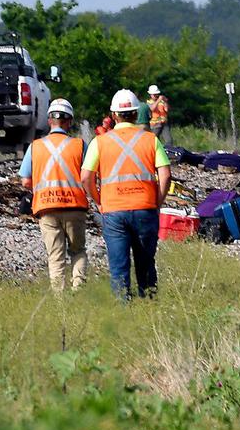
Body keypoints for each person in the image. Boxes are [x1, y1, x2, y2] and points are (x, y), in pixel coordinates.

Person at [80, 89, 171, 299]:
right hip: (145, 209)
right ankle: (149, 308)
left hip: (113, 211)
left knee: (119, 267)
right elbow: (165, 176)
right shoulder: (150, 140)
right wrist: (157, 202)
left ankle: (124, 312)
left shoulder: (99, 142)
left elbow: (86, 177)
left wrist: (99, 201)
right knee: (146, 264)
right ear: (135, 113)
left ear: (113, 116)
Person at [19, 98, 89, 292]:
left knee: (55, 256)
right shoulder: (79, 145)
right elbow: (89, 176)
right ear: (69, 121)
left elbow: (25, 181)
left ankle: (59, 302)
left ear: (50, 120)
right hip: (75, 207)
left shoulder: (35, 146)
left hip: (46, 207)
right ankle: (79, 291)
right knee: (78, 251)